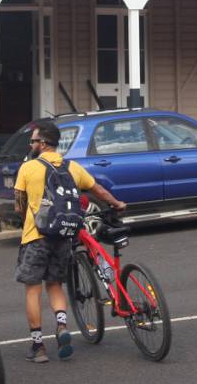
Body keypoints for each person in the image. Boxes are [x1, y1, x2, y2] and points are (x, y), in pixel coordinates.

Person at [13, 120, 127, 363]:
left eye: (33, 140)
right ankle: (62, 326)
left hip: (36, 237)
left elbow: (19, 205)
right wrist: (117, 204)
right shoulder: (72, 167)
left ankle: (38, 346)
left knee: (33, 290)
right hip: (64, 235)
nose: (31, 144)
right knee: (55, 285)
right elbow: (98, 190)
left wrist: (28, 220)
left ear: (43, 143)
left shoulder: (28, 168)